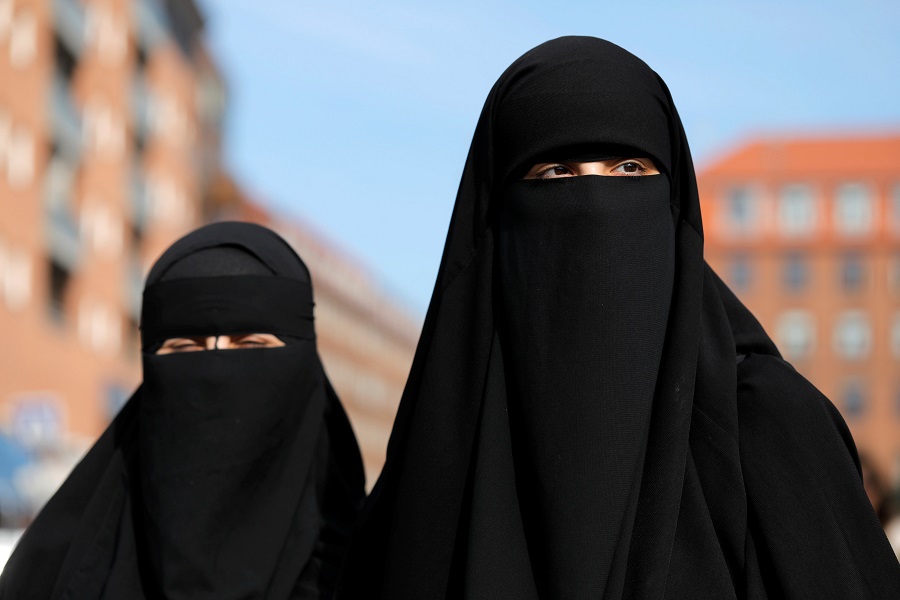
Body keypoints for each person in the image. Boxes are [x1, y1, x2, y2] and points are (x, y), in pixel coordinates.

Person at [337, 37, 900, 598]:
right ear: (497, 213)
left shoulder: (773, 431)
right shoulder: (437, 460)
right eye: (556, 172)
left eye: (629, 168)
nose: (594, 201)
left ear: (674, 200)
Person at [0, 222, 365, 599]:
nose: (216, 372)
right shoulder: (61, 574)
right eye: (185, 348)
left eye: (251, 344)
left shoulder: (377, 570)